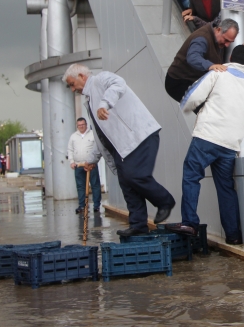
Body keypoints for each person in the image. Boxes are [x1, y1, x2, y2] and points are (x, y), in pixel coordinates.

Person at [166, 46, 244, 245]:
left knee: (191, 174)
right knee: (226, 188)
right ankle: (233, 235)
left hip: (207, 136)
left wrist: (188, 107)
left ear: (229, 57)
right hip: (229, 144)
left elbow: (192, 96)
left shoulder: (218, 73)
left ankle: (190, 223)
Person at [63, 64, 176, 236]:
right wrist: (92, 160)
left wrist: (105, 104)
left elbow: (119, 83)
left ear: (81, 76)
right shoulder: (89, 100)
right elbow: (100, 136)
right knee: (127, 184)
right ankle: (138, 226)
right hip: (121, 147)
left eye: (72, 84)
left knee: (134, 175)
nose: (72, 90)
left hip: (139, 135)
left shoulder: (100, 80)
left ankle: (165, 200)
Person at [165, 19, 239, 102]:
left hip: (193, 81)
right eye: (226, 40)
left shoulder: (217, 38)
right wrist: (211, 66)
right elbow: (193, 57)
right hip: (179, 81)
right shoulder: (202, 37)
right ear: (218, 30)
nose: (227, 45)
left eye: (230, 42)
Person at [67, 117, 102, 214]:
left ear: (86, 124)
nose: (81, 127)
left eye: (83, 125)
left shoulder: (92, 134)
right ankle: (82, 205)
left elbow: (97, 148)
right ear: (77, 126)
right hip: (79, 165)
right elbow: (70, 150)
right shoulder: (73, 136)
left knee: (95, 185)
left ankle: (96, 205)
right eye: (79, 125)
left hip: (91, 164)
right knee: (80, 186)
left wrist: (94, 161)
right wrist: (72, 162)